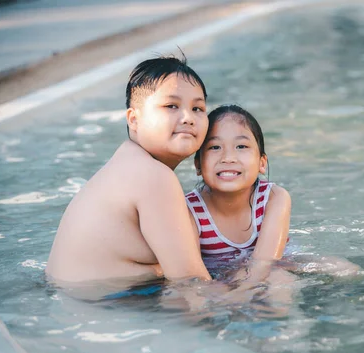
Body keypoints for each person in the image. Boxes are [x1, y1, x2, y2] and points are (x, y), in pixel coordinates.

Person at [46, 55, 211, 284]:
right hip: (106, 307)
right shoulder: (153, 177)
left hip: (80, 303)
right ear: (134, 119)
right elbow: (191, 282)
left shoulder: (127, 165)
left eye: (198, 108)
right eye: (171, 106)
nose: (188, 118)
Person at [185, 104, 291, 274]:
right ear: (198, 164)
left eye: (241, 146)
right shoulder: (189, 210)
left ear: (261, 163)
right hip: (219, 279)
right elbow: (193, 276)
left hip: (272, 267)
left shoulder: (273, 197)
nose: (228, 158)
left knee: (341, 269)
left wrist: (243, 291)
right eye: (215, 147)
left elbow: (266, 264)